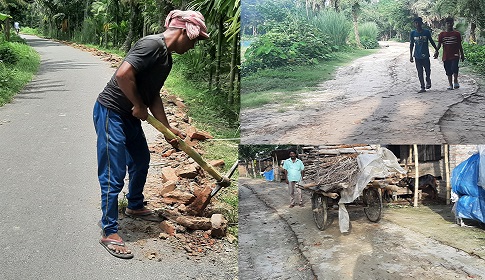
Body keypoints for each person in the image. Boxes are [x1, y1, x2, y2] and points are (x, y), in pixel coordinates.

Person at [93, 10, 209, 259]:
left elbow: (153, 94)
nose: (193, 45)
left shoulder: (166, 58)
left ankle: (134, 205)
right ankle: (109, 231)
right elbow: (123, 75)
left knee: (141, 161)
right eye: (194, 39)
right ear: (184, 32)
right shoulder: (151, 45)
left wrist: (168, 129)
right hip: (111, 112)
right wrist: (137, 104)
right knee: (114, 173)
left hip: (130, 115)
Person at [433, 17, 465, 90]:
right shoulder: (442, 34)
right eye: (448, 23)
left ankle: (455, 81)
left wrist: (462, 55)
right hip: (446, 55)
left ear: (453, 23)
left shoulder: (457, 34)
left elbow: (459, 45)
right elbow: (439, 45)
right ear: (445, 24)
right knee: (448, 70)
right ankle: (450, 84)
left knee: (454, 67)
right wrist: (436, 51)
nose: (449, 24)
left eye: (451, 23)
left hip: (455, 54)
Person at [410, 17, 438, 93]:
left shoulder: (426, 32)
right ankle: (422, 87)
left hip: (425, 55)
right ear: (414, 24)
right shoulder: (413, 33)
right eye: (416, 23)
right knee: (420, 71)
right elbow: (411, 44)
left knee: (428, 70)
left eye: (418, 22)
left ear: (421, 23)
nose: (417, 24)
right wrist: (411, 56)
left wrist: (436, 49)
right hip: (417, 55)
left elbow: (431, 41)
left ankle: (428, 79)